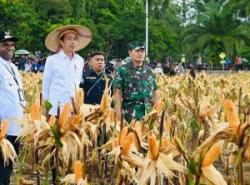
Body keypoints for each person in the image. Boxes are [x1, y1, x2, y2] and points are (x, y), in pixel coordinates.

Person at [42, 25, 92, 116]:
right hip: (55, 108)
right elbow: (45, 86)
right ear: (61, 42)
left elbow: (77, 84)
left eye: (75, 39)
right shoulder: (52, 60)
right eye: (69, 39)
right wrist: (46, 108)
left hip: (73, 109)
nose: (73, 42)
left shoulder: (80, 60)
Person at [0, 31, 25, 185]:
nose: (10, 48)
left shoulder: (13, 67)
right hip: (2, 127)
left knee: (8, 166)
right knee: (2, 167)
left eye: (12, 45)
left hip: (15, 127)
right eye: (4, 45)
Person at [113, 41, 158, 122]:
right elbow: (117, 95)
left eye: (142, 51)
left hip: (148, 115)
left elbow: (155, 93)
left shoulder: (149, 71)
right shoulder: (122, 70)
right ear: (130, 53)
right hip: (130, 115)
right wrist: (118, 118)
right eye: (137, 51)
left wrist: (157, 114)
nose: (140, 54)